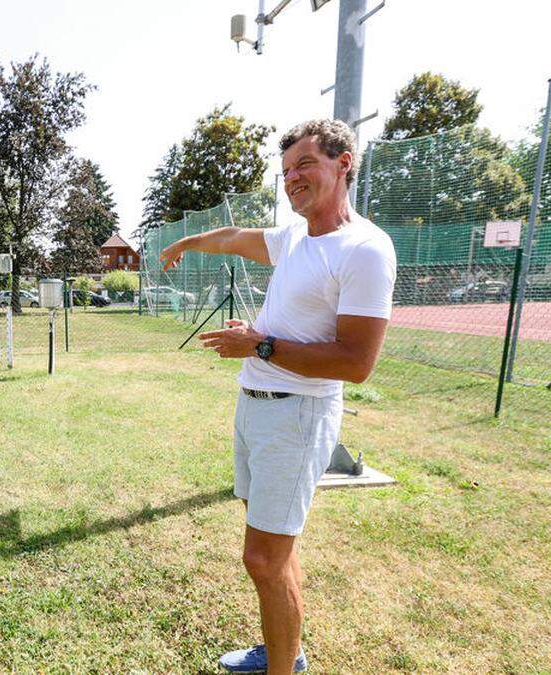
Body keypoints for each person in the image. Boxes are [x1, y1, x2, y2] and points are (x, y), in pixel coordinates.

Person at [158, 119, 397, 674]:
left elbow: (355, 362)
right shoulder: (294, 237)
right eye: (287, 170)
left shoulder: (364, 249)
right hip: (257, 406)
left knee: (262, 557)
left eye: (305, 165)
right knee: (276, 553)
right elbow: (232, 239)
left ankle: (282, 668)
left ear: (343, 165)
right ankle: (285, 650)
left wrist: (258, 344)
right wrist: (187, 242)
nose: (293, 179)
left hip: (298, 415)